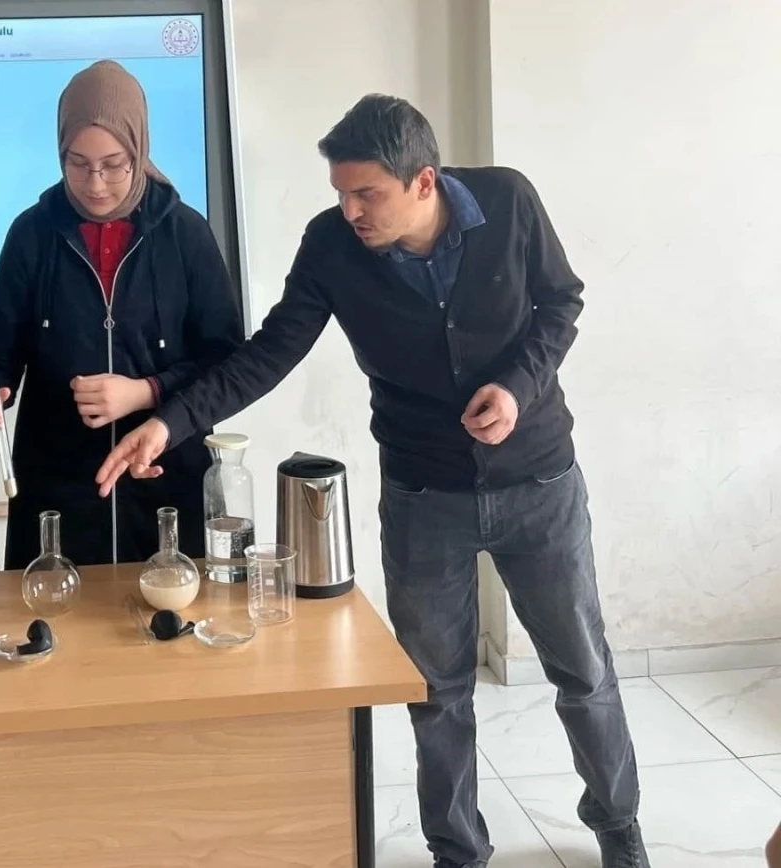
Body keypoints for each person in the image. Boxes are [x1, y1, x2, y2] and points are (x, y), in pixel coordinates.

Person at [96, 94, 650, 868]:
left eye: (367, 194)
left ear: (424, 182)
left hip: (539, 483)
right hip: (424, 497)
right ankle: (457, 851)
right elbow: (267, 354)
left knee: (582, 670)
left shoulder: (507, 200)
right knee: (437, 690)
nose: (350, 211)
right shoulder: (331, 247)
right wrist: (168, 422)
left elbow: (560, 302)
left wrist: (518, 388)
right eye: (341, 194)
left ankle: (617, 825)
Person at [0, 60, 243, 569]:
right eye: (77, 163)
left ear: (139, 151)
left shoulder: (186, 235)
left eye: (114, 165)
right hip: (57, 494)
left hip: (165, 483)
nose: (95, 184)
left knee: (169, 614)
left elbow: (224, 363)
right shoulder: (31, 235)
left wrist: (145, 391)